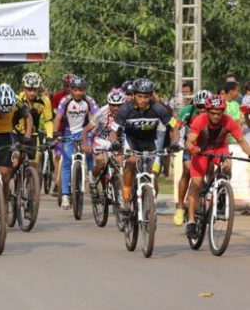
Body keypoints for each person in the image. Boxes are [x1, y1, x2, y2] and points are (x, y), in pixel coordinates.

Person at [110, 78, 181, 221]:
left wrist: (175, 142)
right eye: (140, 96)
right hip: (132, 142)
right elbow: (113, 131)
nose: (143, 100)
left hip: (150, 143)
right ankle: (126, 200)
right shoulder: (125, 109)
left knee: (152, 175)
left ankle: (150, 203)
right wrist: (115, 143)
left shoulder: (159, 108)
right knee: (130, 163)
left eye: (146, 96)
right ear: (134, 95)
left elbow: (174, 126)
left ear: (151, 96)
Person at [184, 94, 250, 238]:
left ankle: (221, 194)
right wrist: (193, 149)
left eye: (219, 113)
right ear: (207, 111)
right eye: (213, 113)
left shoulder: (229, 121)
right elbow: (189, 142)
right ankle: (190, 222)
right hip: (201, 151)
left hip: (219, 149)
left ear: (223, 112)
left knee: (227, 165)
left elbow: (242, 141)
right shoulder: (199, 120)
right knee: (196, 183)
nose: (216, 116)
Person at [54, 77, 99, 210]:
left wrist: (93, 128)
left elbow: (97, 115)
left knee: (90, 154)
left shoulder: (89, 100)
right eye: (75, 90)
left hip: (85, 133)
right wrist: (56, 134)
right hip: (68, 134)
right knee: (67, 162)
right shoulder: (65, 101)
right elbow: (58, 117)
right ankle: (66, 196)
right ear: (71, 90)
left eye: (81, 90)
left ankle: (91, 179)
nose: (78, 93)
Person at [173, 89, 211, 226]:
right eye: (199, 107)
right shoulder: (187, 110)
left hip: (208, 145)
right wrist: (175, 142)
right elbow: (176, 127)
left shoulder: (215, 112)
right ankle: (180, 207)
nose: (202, 111)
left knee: (211, 172)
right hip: (191, 145)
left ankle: (212, 204)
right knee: (188, 171)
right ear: (194, 105)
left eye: (206, 108)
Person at [81, 88, 125, 197]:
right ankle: (92, 178)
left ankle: (117, 191)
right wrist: (85, 144)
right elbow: (86, 130)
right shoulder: (101, 113)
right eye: (113, 105)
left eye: (119, 105)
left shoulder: (127, 112)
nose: (116, 108)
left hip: (116, 140)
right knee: (100, 163)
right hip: (100, 138)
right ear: (108, 104)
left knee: (120, 163)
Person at [14, 72, 53, 168]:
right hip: (16, 134)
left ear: (39, 88)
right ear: (24, 88)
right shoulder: (17, 99)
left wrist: (49, 137)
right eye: (29, 89)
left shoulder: (44, 101)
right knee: (15, 162)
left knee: (34, 165)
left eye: (35, 90)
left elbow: (48, 120)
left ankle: (31, 181)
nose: (32, 93)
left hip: (33, 135)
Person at [49, 72, 76, 197]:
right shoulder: (57, 96)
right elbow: (53, 112)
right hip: (61, 130)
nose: (68, 88)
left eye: (70, 86)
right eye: (66, 85)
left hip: (76, 131)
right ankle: (57, 182)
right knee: (59, 156)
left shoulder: (81, 97)